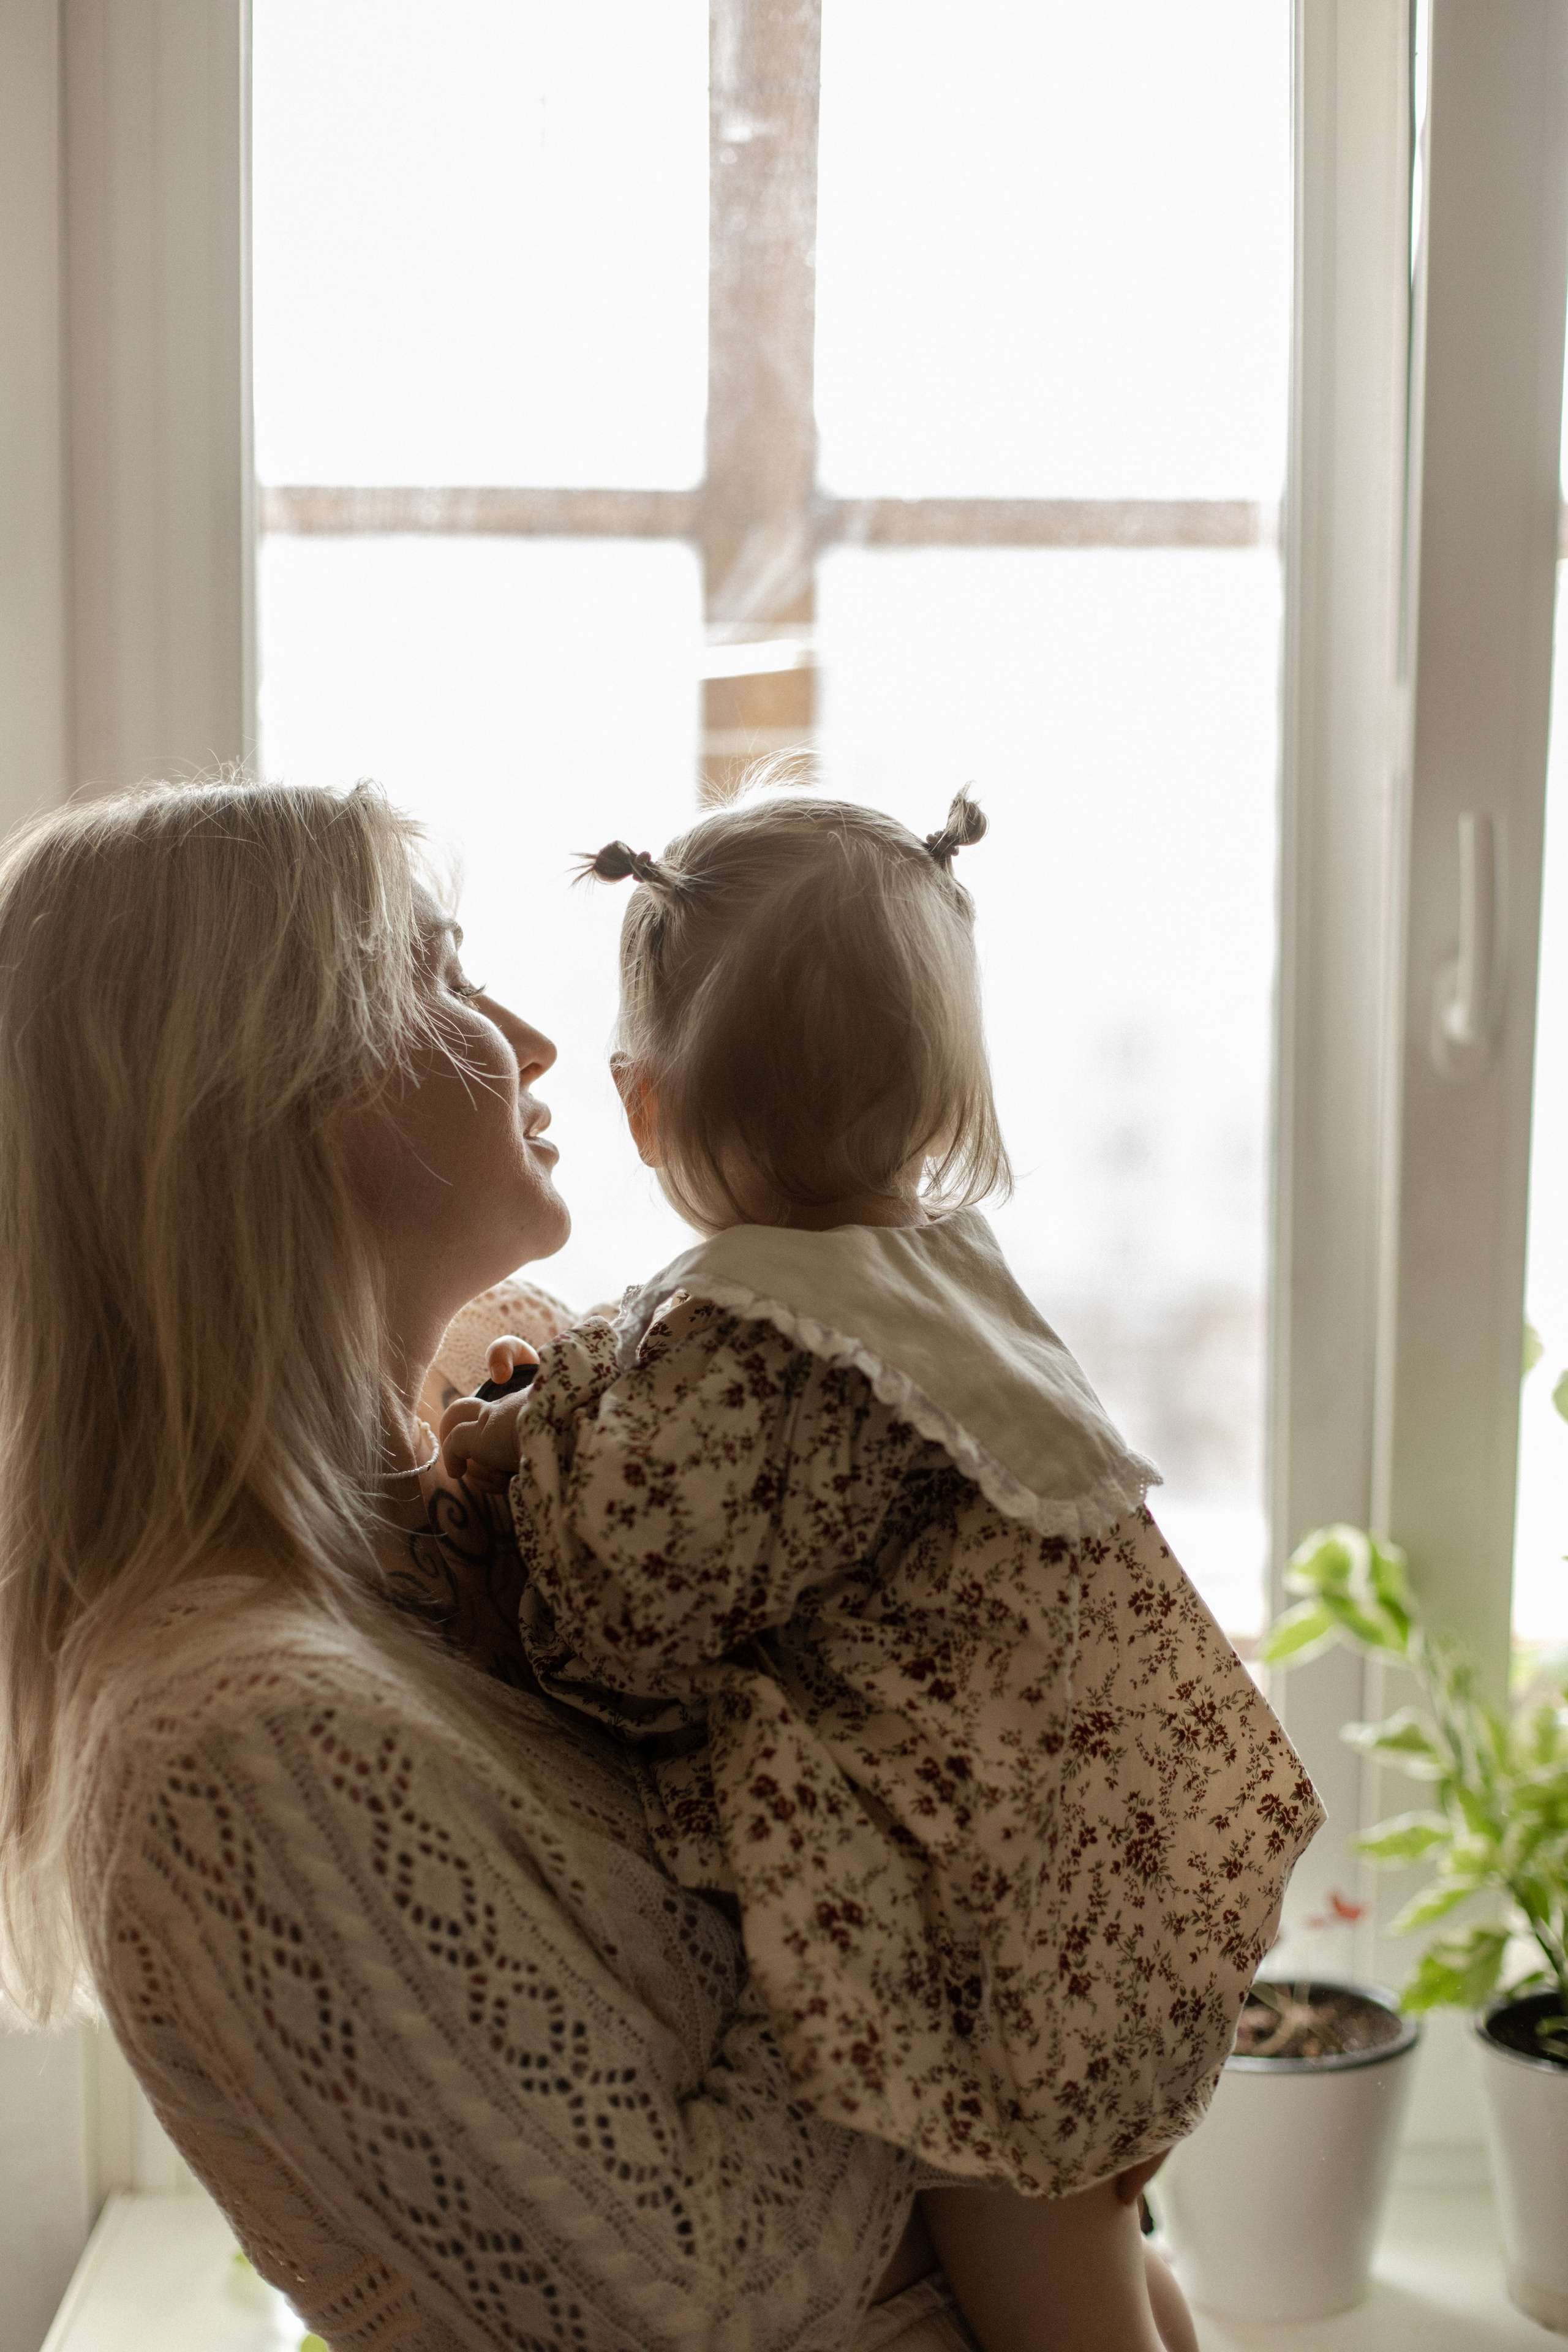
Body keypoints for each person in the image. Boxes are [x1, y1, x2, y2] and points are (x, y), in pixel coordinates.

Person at [0, 779, 973, 2352]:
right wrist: (929, 1860)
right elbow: (690, 2302)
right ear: (253, 1101)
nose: (526, 1039)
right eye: (436, 976)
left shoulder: (528, 1433)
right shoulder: (231, 1743)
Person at [443, 790, 1325, 2352]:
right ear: (932, 1094)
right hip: (1103, 1883)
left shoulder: (750, 1339)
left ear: (641, 1108)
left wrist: (522, 1451)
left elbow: (622, 1623)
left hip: (995, 1951)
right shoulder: (932, 1283)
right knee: (1099, 2266)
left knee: (1052, 2307)